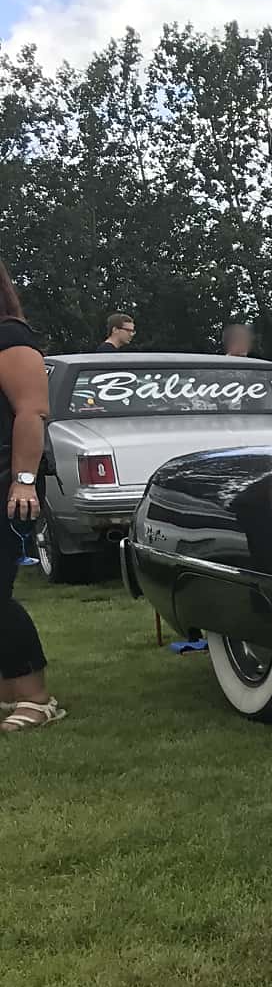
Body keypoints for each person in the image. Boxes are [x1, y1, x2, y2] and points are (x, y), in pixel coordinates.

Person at [0, 259, 63, 731]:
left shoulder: (10, 336)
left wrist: (23, 479)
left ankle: (37, 697)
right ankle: (9, 687)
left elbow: (32, 411)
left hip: (7, 479)